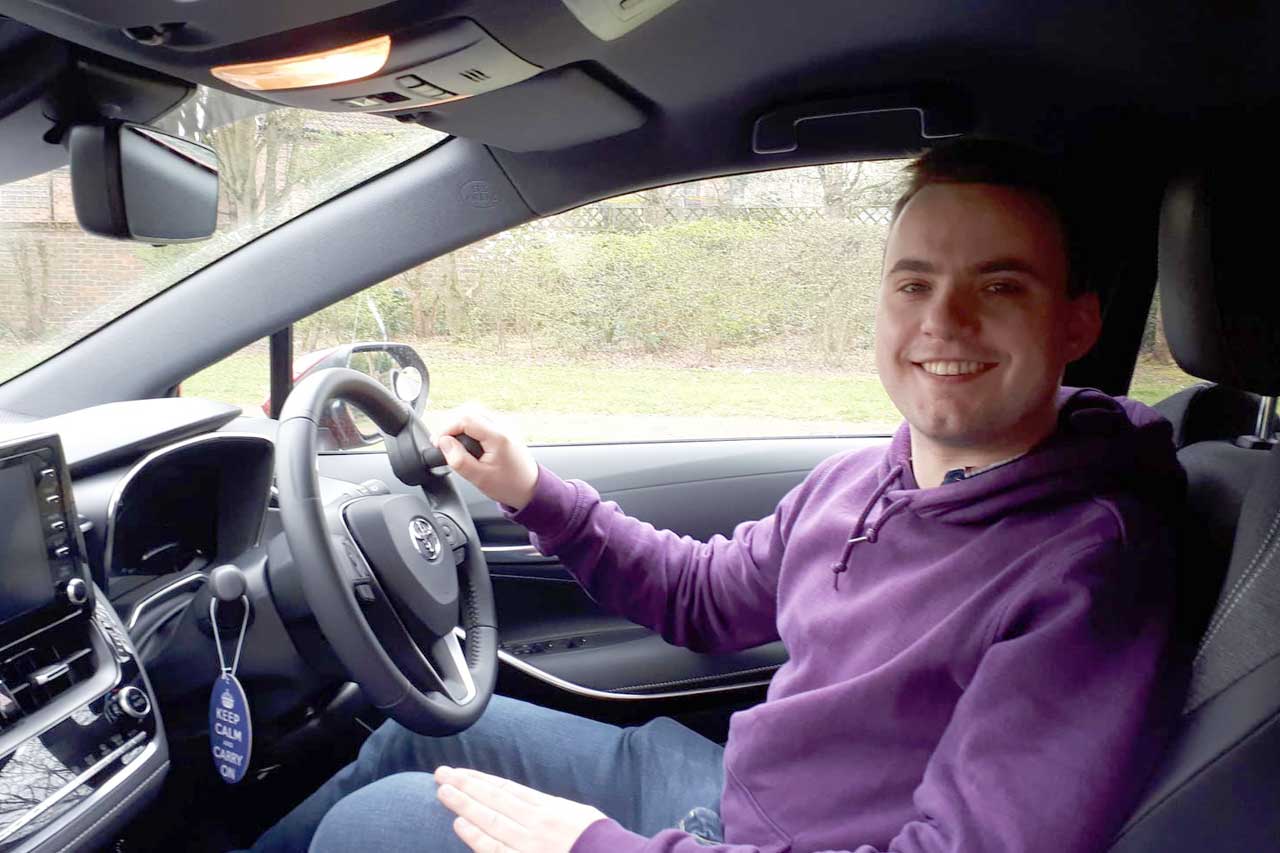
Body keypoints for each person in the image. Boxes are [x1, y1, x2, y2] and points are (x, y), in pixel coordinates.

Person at [252, 138, 1183, 853]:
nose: (944, 317)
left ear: (1077, 323)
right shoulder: (867, 477)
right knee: (423, 725)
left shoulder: (1090, 567)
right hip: (727, 789)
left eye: (1000, 284)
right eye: (915, 282)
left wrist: (597, 845)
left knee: (383, 827)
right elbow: (702, 596)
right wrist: (532, 491)